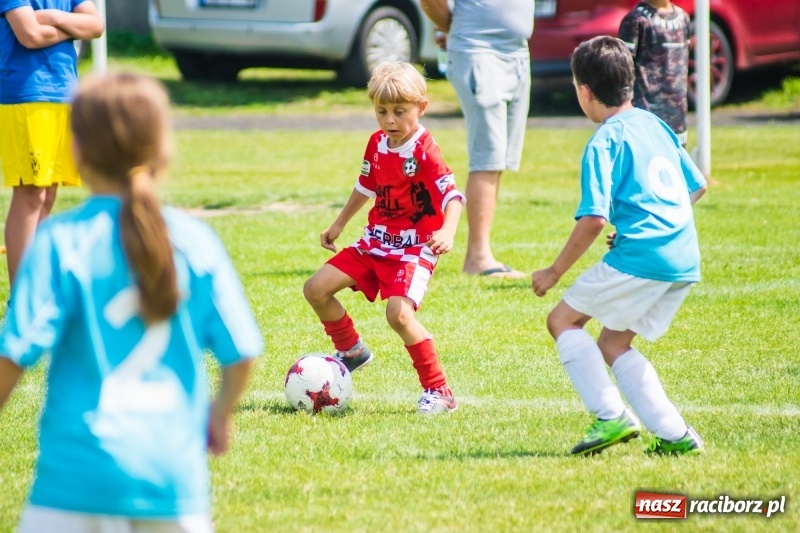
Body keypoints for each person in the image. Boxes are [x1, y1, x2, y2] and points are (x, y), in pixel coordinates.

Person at [0, 73, 263, 532]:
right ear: (163, 149)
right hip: (171, 483)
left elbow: (11, 357)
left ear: (76, 149)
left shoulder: (62, 243)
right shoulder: (195, 242)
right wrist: (219, 416)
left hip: (75, 480)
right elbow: (241, 354)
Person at [532, 36, 707, 456]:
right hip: (682, 255)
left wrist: (553, 272)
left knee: (562, 321)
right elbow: (696, 185)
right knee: (612, 344)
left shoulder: (604, 141)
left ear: (585, 92)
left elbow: (593, 219)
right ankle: (676, 436)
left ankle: (610, 416)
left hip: (643, 254)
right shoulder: (655, 124)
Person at [303, 61, 464, 415]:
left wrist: (447, 231)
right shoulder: (377, 143)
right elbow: (366, 186)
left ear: (421, 108)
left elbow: (453, 195)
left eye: (399, 112)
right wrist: (338, 225)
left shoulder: (424, 150)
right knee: (315, 288)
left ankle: (439, 390)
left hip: (413, 248)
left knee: (399, 315)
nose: (390, 120)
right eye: (382, 111)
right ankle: (351, 351)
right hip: (374, 243)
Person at [421, 0, 534, 279]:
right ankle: (478, 257)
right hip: (478, 49)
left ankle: (481, 253)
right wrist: (458, 28)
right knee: (488, 155)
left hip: (517, 51)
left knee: (500, 158)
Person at [0, 0, 104, 287]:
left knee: (47, 195)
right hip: (25, 92)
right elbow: (29, 35)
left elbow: (96, 26)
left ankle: (39, 288)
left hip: (64, 92)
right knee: (31, 193)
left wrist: (55, 17)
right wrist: (72, 27)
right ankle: (22, 299)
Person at [619, 0, 691, 147]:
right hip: (645, 117)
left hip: (677, 117)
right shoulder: (636, 20)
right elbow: (621, 71)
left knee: (674, 166)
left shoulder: (683, 19)